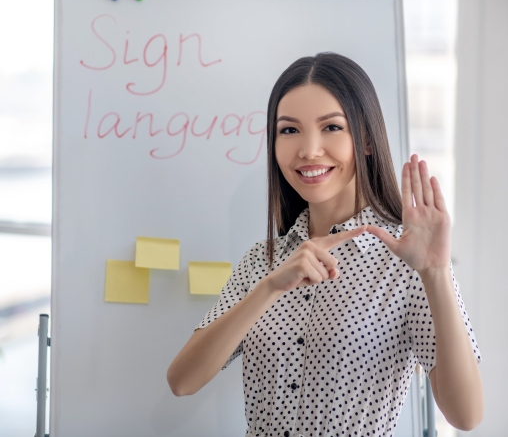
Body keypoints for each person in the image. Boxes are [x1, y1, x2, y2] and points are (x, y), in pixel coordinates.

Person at [167, 53, 483, 436]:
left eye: (331, 127)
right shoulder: (261, 262)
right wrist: (268, 287)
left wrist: (435, 273)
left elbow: (466, 416)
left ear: (365, 140)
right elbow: (182, 381)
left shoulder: (408, 260)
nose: (308, 149)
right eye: (289, 130)